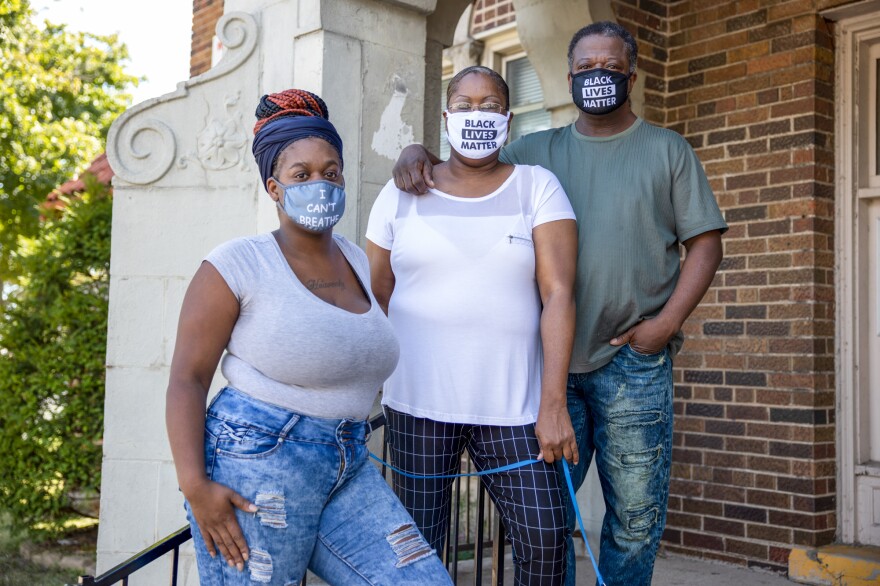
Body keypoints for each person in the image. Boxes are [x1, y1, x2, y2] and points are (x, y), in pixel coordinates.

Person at [392, 22, 727, 586]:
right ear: (569, 76)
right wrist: (417, 149)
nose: (598, 76)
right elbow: (472, 158)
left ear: (632, 75)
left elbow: (706, 244)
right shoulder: (533, 151)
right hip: (547, 368)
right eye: (586, 67)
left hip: (632, 362)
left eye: (611, 67)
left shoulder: (666, 149)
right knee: (545, 521)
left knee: (636, 519)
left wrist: (666, 324)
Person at [165, 89, 452, 586]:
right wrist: (194, 486)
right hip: (257, 460)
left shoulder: (356, 259)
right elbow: (187, 379)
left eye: (330, 172)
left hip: (348, 459)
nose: (320, 183)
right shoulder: (236, 264)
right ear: (274, 188)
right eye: (302, 175)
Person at [366, 65, 579, 586]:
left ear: (507, 119)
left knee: (546, 541)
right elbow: (378, 294)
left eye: (489, 105)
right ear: (445, 117)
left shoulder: (538, 187)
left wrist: (553, 406)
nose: (476, 116)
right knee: (420, 552)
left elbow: (558, 294)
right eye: (463, 106)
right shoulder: (400, 195)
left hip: (515, 409)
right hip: (417, 404)